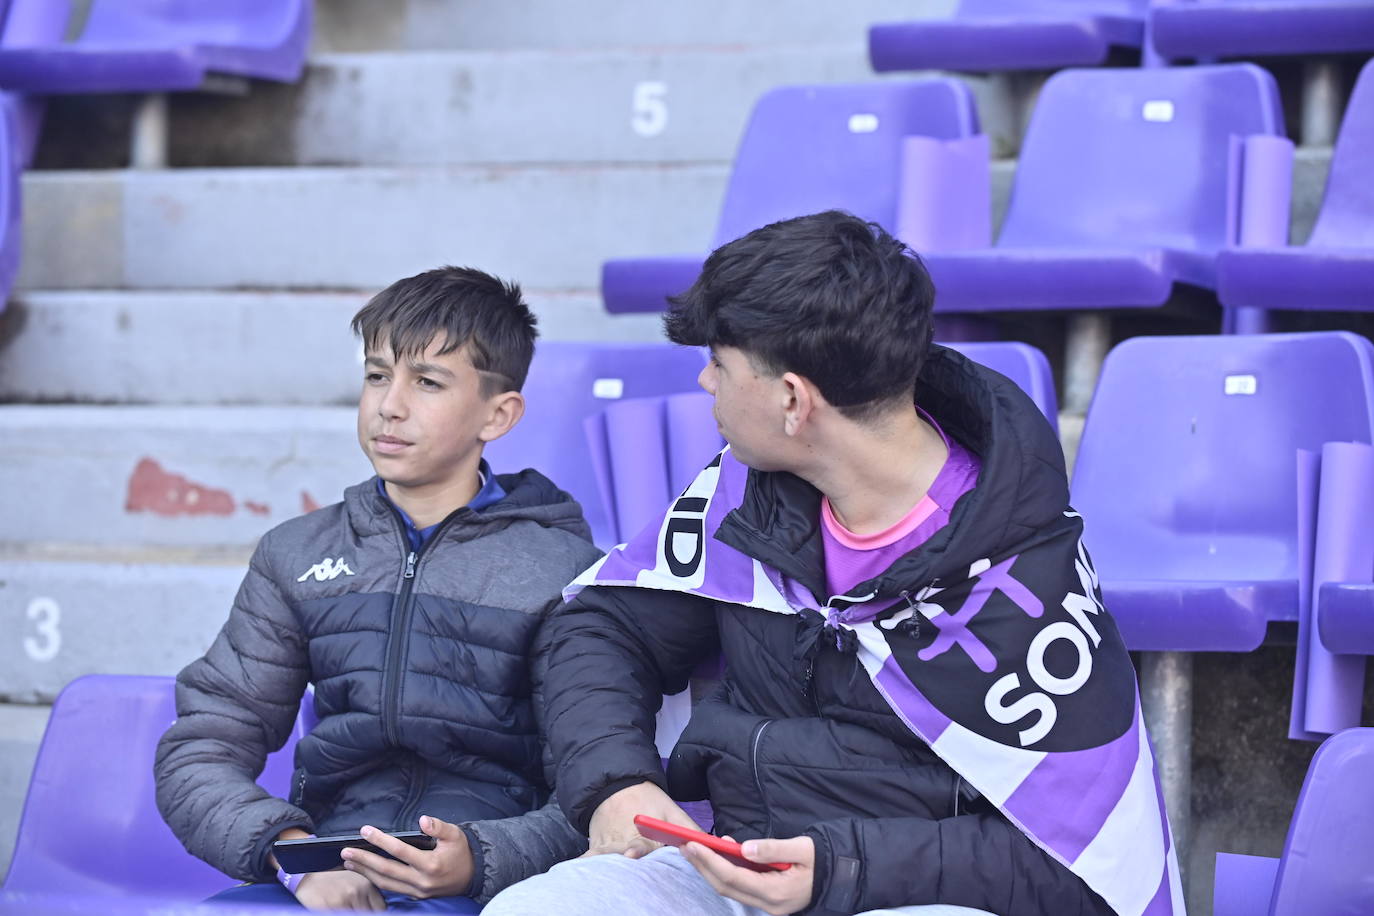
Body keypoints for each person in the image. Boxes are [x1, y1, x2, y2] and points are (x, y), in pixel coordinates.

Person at [484, 211, 1184, 916]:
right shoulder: (744, 493)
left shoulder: (1024, 580)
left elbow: (1070, 866)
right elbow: (602, 628)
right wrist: (614, 783)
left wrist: (844, 869)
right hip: (722, 868)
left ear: (792, 400)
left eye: (719, 364)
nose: (705, 382)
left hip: (908, 896)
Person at [155, 266, 602, 912]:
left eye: (426, 382)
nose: (389, 405)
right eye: (376, 375)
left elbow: (597, 792)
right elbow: (201, 746)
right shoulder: (298, 554)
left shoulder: (563, 572)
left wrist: (480, 860)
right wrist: (289, 851)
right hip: (326, 869)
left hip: (492, 886)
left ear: (498, 415)